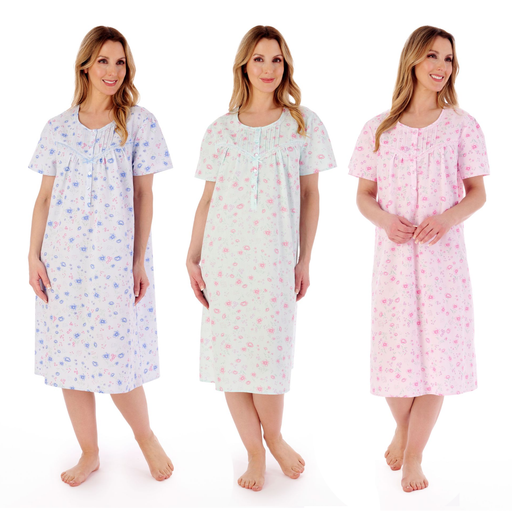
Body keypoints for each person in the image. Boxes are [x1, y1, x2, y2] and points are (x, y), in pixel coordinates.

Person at [186, 25, 336, 492]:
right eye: (258, 59)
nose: (268, 68)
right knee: (231, 363)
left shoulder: (303, 124)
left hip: (274, 262)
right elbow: (207, 200)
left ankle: (274, 437)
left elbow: (310, 196)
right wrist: (192, 257)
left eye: (276, 59)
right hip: (224, 261)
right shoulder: (220, 129)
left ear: (285, 66)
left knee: (270, 361)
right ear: (243, 66)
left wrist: (304, 259)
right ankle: (254, 452)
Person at [28, 26, 174, 486]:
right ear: (86, 66)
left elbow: (144, 196)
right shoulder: (57, 128)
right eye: (104, 61)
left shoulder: (140, 123)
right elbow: (44, 198)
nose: (113, 71)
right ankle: (89, 452)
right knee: (68, 358)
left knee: (117, 353)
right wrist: (32, 256)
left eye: (120, 62)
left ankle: (145, 437)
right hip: (62, 260)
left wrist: (137, 260)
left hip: (114, 260)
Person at [349, 26, 489, 492]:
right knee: (395, 362)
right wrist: (384, 220)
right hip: (393, 264)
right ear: (412, 60)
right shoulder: (378, 129)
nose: (441, 66)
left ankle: (413, 455)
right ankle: (403, 429)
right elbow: (363, 196)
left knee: (438, 362)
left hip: (442, 263)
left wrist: (447, 219)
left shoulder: (463, 125)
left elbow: (477, 193)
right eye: (432, 55)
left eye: (448, 59)